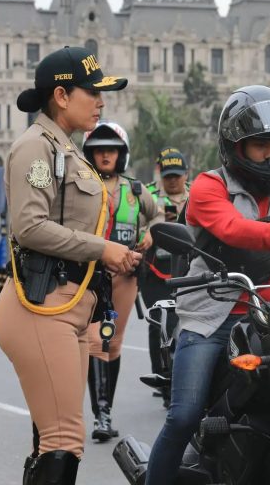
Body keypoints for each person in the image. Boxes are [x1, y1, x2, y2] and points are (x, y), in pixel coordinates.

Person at [144, 85, 270, 485]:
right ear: (237, 146)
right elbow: (234, 230)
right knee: (184, 415)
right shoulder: (207, 187)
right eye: (260, 146)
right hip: (211, 320)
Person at [0, 46, 140, 484]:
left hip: (70, 306)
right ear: (61, 95)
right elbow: (30, 226)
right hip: (41, 305)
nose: (101, 102)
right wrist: (101, 249)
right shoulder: (35, 147)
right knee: (64, 437)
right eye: (92, 92)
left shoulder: (67, 151)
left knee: (53, 437)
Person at [82, 121, 164, 442]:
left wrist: (151, 233)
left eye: (111, 150)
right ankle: (102, 416)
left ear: (122, 154)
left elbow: (157, 215)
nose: (105, 155)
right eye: (99, 149)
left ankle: (107, 410)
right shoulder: (81, 186)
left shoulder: (136, 190)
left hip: (125, 277)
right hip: (90, 276)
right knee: (95, 342)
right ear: (89, 153)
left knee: (112, 343)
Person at [139, 148, 191, 407]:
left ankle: (183, 378)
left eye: (177, 176)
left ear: (186, 174)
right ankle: (162, 376)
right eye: (168, 176)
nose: (173, 181)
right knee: (159, 323)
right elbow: (135, 224)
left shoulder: (196, 195)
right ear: (161, 174)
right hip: (155, 271)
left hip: (189, 270)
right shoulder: (147, 195)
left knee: (186, 324)